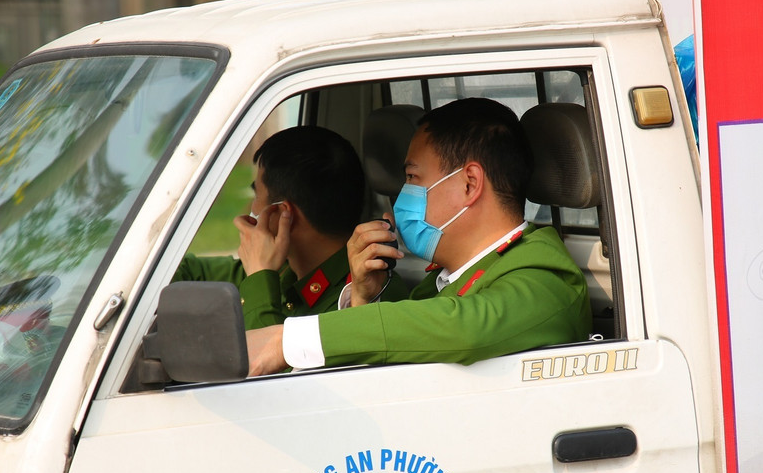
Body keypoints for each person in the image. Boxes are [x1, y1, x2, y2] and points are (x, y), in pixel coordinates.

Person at [246, 97, 591, 375]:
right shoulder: (439, 283)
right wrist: (365, 298)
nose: (402, 195)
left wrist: (287, 340)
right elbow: (384, 371)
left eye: (412, 178)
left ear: (470, 184)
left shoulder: (546, 281)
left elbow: (463, 328)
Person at [174, 126, 405, 330]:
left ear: (283, 213)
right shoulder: (287, 269)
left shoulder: (369, 293)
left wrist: (260, 277)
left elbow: (273, 376)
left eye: (256, 195)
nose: (249, 209)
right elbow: (180, 273)